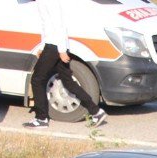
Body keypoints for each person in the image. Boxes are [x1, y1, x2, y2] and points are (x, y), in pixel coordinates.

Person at [24, 0, 106, 129]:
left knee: (37, 79)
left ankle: (41, 118)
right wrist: (42, 46)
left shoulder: (48, 2)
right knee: (67, 81)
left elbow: (59, 26)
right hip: (54, 45)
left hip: (55, 46)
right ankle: (96, 111)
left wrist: (61, 50)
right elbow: (47, 26)